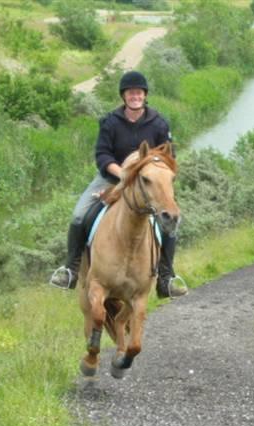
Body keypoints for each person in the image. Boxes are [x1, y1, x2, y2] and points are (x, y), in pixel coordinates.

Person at [50, 70, 188, 298]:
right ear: (124, 96)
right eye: (130, 93)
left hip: (148, 184)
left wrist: (157, 178)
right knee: (78, 216)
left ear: (145, 95)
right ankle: (71, 270)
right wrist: (123, 173)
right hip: (112, 178)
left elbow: (168, 156)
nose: (135, 96)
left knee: (171, 221)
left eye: (139, 92)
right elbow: (103, 154)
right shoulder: (110, 122)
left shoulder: (159, 124)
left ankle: (166, 278)